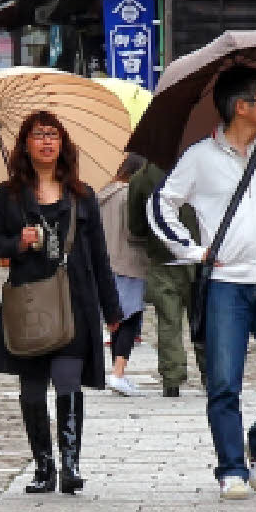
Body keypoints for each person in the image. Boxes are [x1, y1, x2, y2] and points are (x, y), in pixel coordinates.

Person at [149, 66, 256, 500]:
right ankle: (232, 468)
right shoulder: (199, 157)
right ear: (240, 106)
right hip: (225, 281)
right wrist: (192, 251)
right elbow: (162, 204)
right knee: (224, 380)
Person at [0, 111, 121, 495]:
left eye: (53, 135)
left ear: (63, 144)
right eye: (39, 135)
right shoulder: (8, 196)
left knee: (67, 383)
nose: (46, 141)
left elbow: (99, 257)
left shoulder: (82, 195)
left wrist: (113, 312)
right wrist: (18, 244)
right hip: (30, 303)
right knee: (31, 391)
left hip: (75, 301)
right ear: (25, 144)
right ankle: (44, 466)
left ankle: (70, 464)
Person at [122, 153, 198, 397]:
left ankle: (172, 378)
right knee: (204, 319)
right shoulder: (198, 167)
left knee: (168, 321)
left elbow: (135, 227)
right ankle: (212, 374)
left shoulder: (141, 178)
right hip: (198, 255)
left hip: (162, 257)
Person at [97, 154, 160, 397]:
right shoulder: (130, 197)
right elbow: (136, 232)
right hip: (130, 262)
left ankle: (116, 372)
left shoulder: (104, 194)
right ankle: (118, 372)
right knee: (131, 318)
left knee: (116, 317)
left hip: (106, 263)